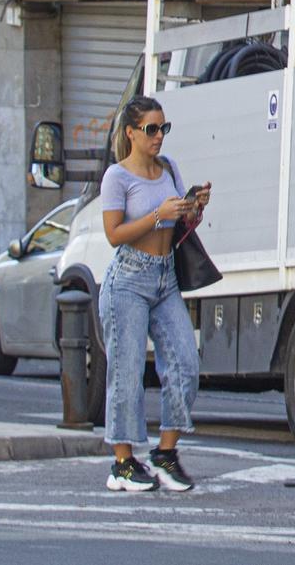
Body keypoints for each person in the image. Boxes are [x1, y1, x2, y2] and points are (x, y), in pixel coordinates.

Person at [99, 95, 207, 494]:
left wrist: (193, 209)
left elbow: (178, 226)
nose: (159, 136)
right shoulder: (118, 177)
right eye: (151, 130)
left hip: (165, 278)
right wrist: (158, 214)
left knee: (185, 362)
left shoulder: (169, 169)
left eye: (164, 128)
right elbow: (114, 235)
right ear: (131, 133)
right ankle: (123, 462)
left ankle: (165, 453)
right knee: (126, 374)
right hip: (128, 279)